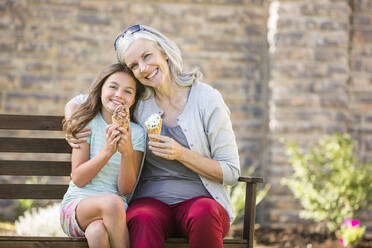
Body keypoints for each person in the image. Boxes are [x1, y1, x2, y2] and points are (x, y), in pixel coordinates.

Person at [66, 24, 241, 248]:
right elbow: (85, 100)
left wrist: (181, 154)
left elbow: (231, 172)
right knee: (142, 217)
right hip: (151, 200)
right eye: (134, 65)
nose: (144, 68)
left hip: (202, 201)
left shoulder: (207, 99)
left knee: (203, 212)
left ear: (164, 52)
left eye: (147, 56)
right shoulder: (138, 102)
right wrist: (72, 121)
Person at [60, 63, 146, 248]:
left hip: (115, 213)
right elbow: (79, 179)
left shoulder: (137, 134)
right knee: (112, 204)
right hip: (76, 207)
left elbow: (125, 189)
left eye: (128, 91)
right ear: (101, 90)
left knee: (97, 232)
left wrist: (127, 152)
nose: (119, 95)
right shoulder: (87, 123)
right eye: (113, 87)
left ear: (133, 99)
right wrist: (108, 151)